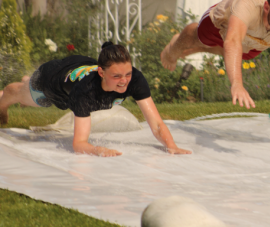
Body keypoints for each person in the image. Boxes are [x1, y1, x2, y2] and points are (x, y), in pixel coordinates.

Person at [0, 42, 192, 157]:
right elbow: (79, 143)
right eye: (116, 76)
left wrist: (171, 146)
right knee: (27, 96)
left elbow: (157, 124)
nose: (124, 81)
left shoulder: (135, 79)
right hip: (51, 80)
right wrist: (98, 150)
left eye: (127, 74)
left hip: (80, 69)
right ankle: (3, 101)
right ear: (102, 72)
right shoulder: (85, 91)